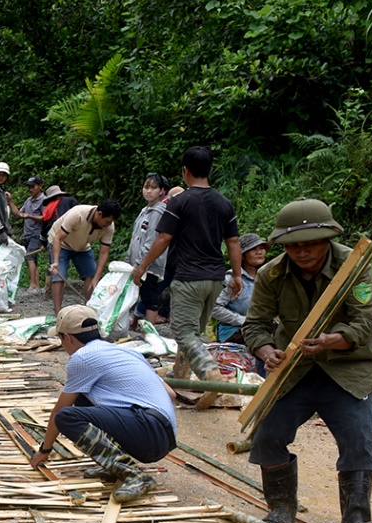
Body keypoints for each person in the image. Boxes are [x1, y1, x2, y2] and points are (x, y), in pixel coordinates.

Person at [245, 199, 372, 523]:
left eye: (310, 244)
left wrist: (331, 341)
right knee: (268, 436)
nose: (302, 252)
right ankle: (280, 507)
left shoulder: (354, 266)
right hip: (294, 370)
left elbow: (365, 323)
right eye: (293, 246)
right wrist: (265, 351)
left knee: (358, 442)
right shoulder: (271, 274)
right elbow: (256, 325)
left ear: (328, 239)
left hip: (346, 368)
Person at [132, 146, 242, 407]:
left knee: (183, 332)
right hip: (215, 278)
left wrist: (141, 267)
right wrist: (236, 275)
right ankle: (179, 378)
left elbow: (164, 237)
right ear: (210, 170)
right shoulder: (223, 202)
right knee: (192, 331)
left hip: (188, 278)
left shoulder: (179, 202)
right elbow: (234, 241)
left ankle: (210, 376)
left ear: (185, 171)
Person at [30, 306, 177, 502]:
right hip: (163, 434)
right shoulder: (124, 351)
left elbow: (60, 411)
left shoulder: (82, 357)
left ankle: (133, 475)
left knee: (67, 416)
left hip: (149, 433)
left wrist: (45, 449)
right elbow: (171, 394)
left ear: (68, 337)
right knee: (83, 397)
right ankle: (115, 466)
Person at [48, 199, 120, 314]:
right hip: (61, 242)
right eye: (107, 221)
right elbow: (58, 238)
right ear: (99, 214)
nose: (108, 224)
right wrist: (55, 262)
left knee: (91, 275)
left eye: (111, 222)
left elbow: (104, 252)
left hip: (82, 246)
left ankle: (89, 310)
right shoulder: (78, 214)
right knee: (59, 276)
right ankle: (58, 314)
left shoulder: (109, 227)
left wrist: (97, 277)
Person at [128, 172, 171, 326]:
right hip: (138, 262)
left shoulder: (159, 212)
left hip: (150, 263)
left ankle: (150, 331)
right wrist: (130, 260)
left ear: (161, 191)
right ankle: (136, 325)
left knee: (150, 296)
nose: (149, 191)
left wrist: (141, 263)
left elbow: (152, 241)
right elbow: (135, 237)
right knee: (142, 294)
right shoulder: (144, 210)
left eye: (154, 188)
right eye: (146, 187)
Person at [211, 232, 267, 344]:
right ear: (242, 255)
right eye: (253, 249)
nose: (259, 252)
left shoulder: (265, 278)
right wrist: (244, 320)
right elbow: (214, 308)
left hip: (258, 328)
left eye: (261, 248)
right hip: (232, 331)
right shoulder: (230, 279)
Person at [16, 176, 47, 290]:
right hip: (27, 233)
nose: (31, 189)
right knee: (32, 259)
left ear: (40, 186)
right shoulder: (28, 200)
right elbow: (19, 213)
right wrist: (10, 202)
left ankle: (33, 284)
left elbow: (45, 217)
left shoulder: (44, 200)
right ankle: (36, 285)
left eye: (33, 187)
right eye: (29, 187)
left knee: (30, 257)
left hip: (37, 233)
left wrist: (30, 216)